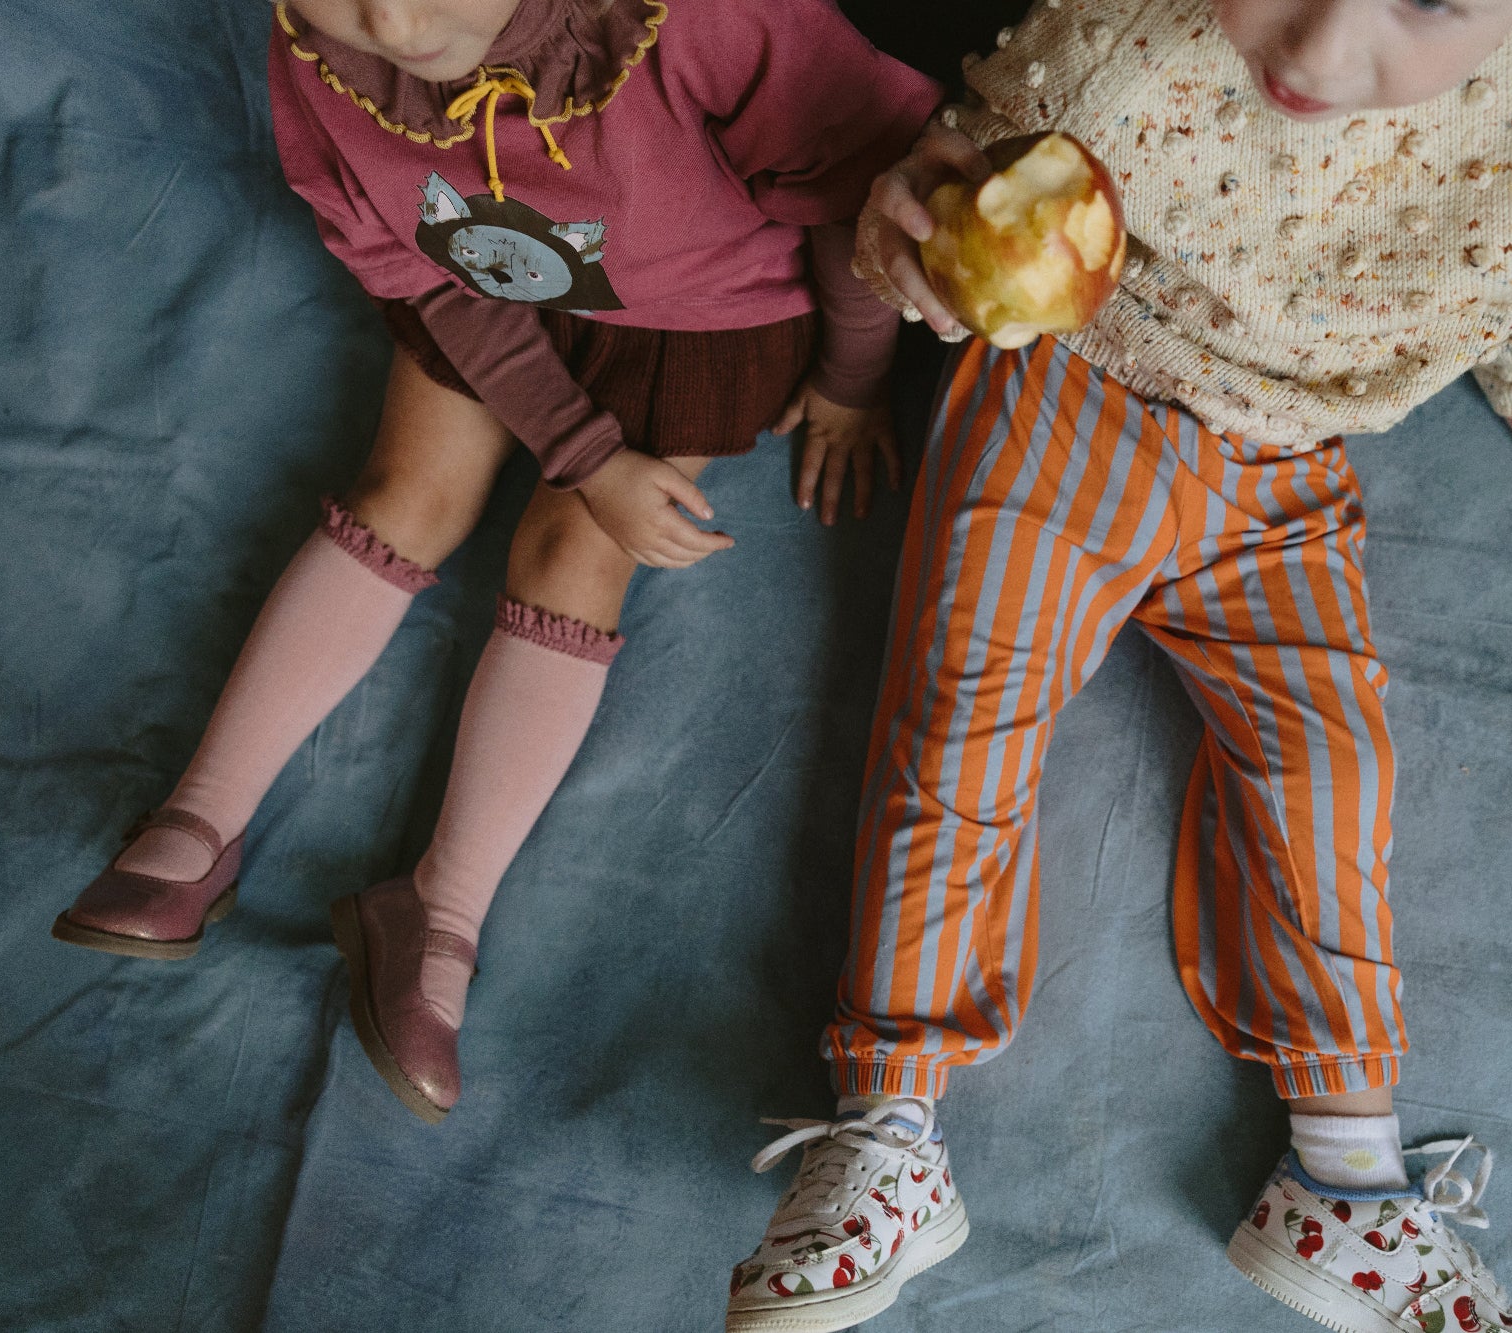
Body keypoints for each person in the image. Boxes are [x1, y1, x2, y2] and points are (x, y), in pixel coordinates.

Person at [726, 0, 1512, 1328]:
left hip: (1287, 457)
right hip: (1073, 389)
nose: (1309, 50)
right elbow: (966, 162)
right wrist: (923, 235)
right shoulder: (1126, 43)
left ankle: (1348, 1176)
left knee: (1333, 764)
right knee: (961, 716)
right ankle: (888, 1124)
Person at [50, 0, 939, 1125]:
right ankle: (197, 820)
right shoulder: (326, 50)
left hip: (701, 312)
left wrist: (853, 380)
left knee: (577, 550)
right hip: (478, 292)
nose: (393, 19)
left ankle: (440, 910)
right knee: (403, 491)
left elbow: (861, 186)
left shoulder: (700, 19)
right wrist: (570, 441)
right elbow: (413, 265)